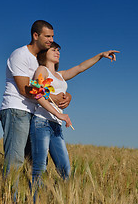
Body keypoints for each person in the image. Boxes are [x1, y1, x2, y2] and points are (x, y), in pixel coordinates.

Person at [30, 41, 119, 198]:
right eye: (54, 49)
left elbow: (80, 67)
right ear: (45, 52)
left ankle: (63, 198)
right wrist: (59, 114)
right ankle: (35, 200)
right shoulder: (41, 70)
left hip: (56, 126)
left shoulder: (60, 75)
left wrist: (100, 56)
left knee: (65, 169)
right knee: (40, 167)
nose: (57, 52)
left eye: (59, 50)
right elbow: (37, 94)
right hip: (41, 122)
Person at [0, 20, 72, 177]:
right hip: (17, 110)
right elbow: (24, 88)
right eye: (47, 36)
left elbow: (50, 84)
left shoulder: (38, 59)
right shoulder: (20, 54)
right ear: (35, 35)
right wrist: (54, 98)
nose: (51, 40)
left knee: (35, 161)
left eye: (52, 36)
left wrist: (66, 96)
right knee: (15, 160)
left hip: (34, 113)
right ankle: (11, 198)